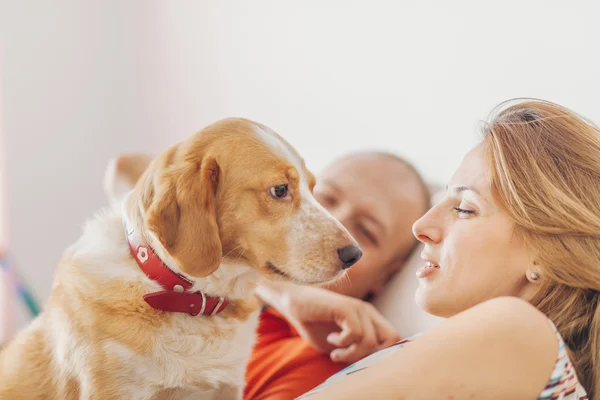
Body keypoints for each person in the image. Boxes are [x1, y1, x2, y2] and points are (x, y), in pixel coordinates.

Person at [258, 99, 599, 400]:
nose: (420, 227)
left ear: (544, 253)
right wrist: (286, 294)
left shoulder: (520, 332)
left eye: (465, 208)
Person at [244, 151, 430, 399]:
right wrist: (289, 293)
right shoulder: (205, 271)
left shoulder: (315, 372)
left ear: (383, 278)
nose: (327, 226)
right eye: (324, 198)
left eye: (365, 231)